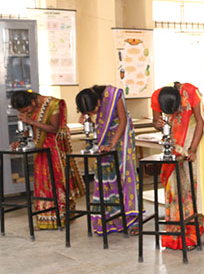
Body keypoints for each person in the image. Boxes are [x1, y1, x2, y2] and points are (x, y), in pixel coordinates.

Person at [150, 83, 204, 250]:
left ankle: (191, 235)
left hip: (194, 139)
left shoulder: (190, 92)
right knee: (174, 188)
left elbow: (200, 122)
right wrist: (158, 124)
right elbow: (155, 122)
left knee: (192, 188)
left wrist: (192, 149)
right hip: (175, 143)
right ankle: (174, 234)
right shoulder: (157, 96)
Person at [10, 91, 84, 229]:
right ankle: (46, 219)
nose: (26, 113)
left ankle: (62, 217)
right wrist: (20, 142)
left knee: (57, 183)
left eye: (26, 110)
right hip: (40, 151)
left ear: (32, 102)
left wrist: (30, 121)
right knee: (43, 184)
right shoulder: (31, 108)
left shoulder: (54, 104)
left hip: (55, 150)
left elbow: (54, 129)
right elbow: (30, 130)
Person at [75, 85, 138, 235]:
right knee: (106, 177)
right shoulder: (89, 101)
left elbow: (123, 121)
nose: (93, 113)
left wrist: (112, 144)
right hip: (105, 140)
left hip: (122, 138)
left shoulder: (113, 94)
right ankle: (112, 218)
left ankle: (132, 219)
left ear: (98, 100)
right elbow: (100, 124)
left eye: (93, 110)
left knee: (126, 176)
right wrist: (87, 121)